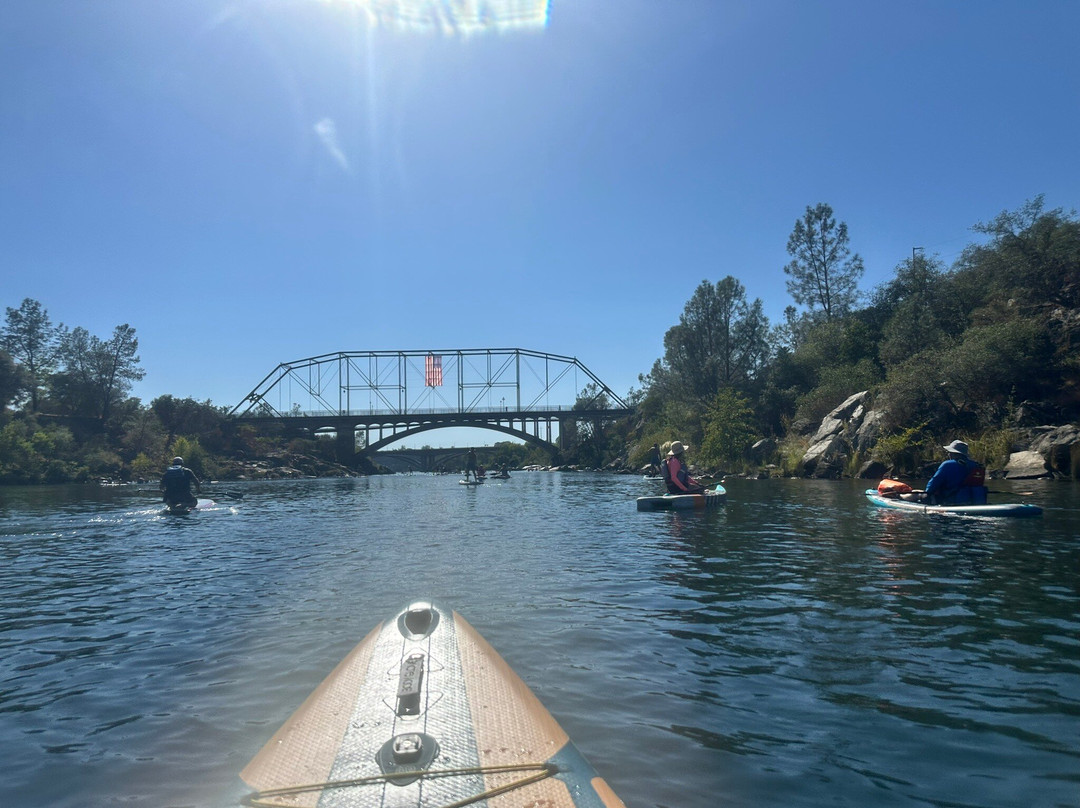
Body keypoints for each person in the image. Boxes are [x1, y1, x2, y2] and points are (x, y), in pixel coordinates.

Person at [922, 440, 987, 505]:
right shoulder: (976, 465)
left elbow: (932, 485)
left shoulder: (947, 465)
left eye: (949, 452)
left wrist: (926, 493)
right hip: (975, 501)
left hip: (952, 502)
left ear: (953, 453)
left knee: (919, 495)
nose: (948, 454)